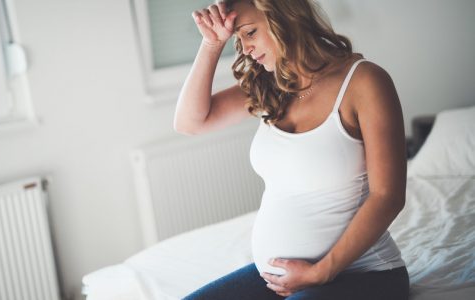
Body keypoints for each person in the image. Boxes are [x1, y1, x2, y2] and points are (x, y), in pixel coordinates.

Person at [173, 0, 410, 299]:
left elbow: (387, 196)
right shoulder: (269, 86)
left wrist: (320, 272)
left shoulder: (364, 82)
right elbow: (190, 123)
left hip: (365, 274)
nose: (245, 49)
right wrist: (211, 43)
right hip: (280, 279)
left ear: (284, 17)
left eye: (250, 32)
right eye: (238, 39)